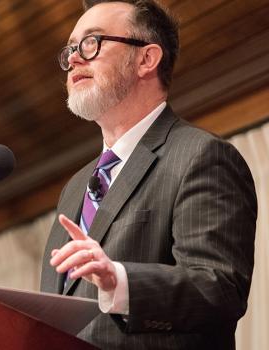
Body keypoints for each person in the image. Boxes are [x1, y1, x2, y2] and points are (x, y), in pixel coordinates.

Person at [39, 1, 257, 349]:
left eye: (92, 43)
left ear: (146, 59)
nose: (75, 59)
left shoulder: (200, 156)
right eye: (70, 50)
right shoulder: (75, 186)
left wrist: (119, 281)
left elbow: (219, 288)